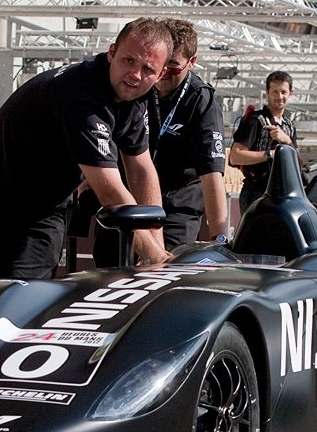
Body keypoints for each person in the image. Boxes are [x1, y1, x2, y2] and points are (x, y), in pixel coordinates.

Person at [0, 18, 172, 282]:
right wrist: (155, 257)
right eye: (129, 61)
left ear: (161, 74)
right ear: (111, 53)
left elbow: (142, 170)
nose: (135, 74)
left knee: (30, 295)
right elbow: (109, 189)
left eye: (147, 68)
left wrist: (158, 246)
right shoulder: (83, 94)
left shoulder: (135, 98)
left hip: (45, 203)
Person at [92, 18, 228, 265]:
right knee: (109, 267)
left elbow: (212, 174)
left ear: (191, 62)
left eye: (172, 67)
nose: (161, 75)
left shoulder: (200, 101)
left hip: (177, 204)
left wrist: (220, 238)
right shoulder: (138, 86)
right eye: (157, 66)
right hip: (128, 195)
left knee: (166, 268)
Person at [228, 71, 297, 213]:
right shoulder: (255, 120)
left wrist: (287, 142)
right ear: (267, 92)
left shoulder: (288, 126)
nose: (279, 96)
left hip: (283, 194)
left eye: (283, 92)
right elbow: (235, 156)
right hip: (256, 192)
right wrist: (270, 154)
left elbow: (299, 163)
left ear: (290, 93)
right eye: (275, 92)